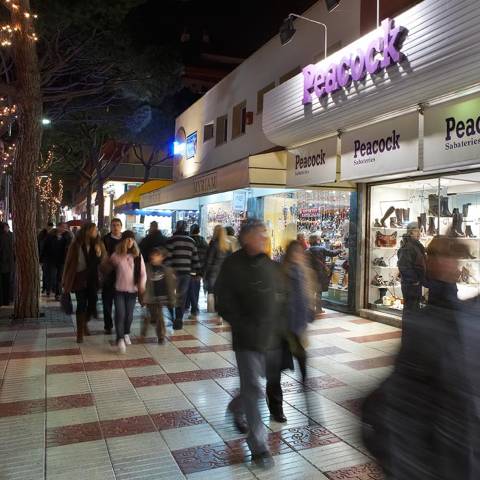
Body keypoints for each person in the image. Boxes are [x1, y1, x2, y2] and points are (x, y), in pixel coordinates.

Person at [363, 236, 479, 479]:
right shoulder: (439, 323)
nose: (452, 266)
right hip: (436, 450)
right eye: (442, 258)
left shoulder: (458, 319)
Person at [216, 219, 281, 469]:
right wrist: (242, 323)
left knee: (253, 387)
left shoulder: (270, 265)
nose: (265, 238)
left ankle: (235, 407)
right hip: (247, 339)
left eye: (266, 234)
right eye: (260, 234)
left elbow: (283, 296)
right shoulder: (232, 265)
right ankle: (259, 446)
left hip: (272, 338)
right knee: (254, 387)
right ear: (245, 238)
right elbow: (223, 301)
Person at [266, 240, 316, 423]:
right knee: (275, 372)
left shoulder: (305, 275)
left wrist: (310, 313)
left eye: (300, 253)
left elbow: (307, 302)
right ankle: (276, 408)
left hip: (298, 332)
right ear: (289, 254)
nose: (298, 256)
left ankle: (311, 409)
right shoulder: (280, 273)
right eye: (295, 253)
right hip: (280, 331)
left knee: (303, 370)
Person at [62, 223, 106, 343]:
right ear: (87, 231)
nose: (96, 231)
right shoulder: (76, 245)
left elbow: (103, 261)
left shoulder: (98, 244)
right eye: (94, 229)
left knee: (93, 303)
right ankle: (80, 332)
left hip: (92, 279)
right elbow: (68, 262)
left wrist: (98, 253)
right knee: (81, 304)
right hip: (79, 278)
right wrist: (65, 280)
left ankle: (84, 322)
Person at [108, 231, 146, 353]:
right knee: (120, 314)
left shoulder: (138, 256)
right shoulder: (116, 255)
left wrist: (142, 286)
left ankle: (126, 333)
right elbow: (107, 268)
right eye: (128, 239)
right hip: (119, 290)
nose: (130, 241)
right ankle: (120, 339)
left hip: (132, 291)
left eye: (132, 239)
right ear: (123, 241)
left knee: (129, 315)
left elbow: (143, 273)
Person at [165, 220, 200, 330]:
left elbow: (168, 258)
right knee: (182, 296)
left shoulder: (171, 240)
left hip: (173, 273)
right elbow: (195, 258)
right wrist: (198, 272)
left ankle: (172, 317)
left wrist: (168, 270)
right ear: (186, 228)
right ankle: (179, 318)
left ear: (176, 227)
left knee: (170, 295)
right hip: (186, 273)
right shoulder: (191, 241)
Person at [140, 247, 176, 344]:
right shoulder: (146, 268)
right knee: (148, 317)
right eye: (153, 255)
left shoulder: (166, 270)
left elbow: (170, 286)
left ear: (162, 257)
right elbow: (142, 283)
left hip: (161, 297)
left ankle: (161, 336)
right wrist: (142, 297)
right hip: (149, 297)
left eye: (157, 255)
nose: (154, 257)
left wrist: (172, 300)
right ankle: (143, 332)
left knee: (160, 317)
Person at [308, 234, 342, 313]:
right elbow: (332, 253)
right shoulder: (321, 249)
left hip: (311, 274)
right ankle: (318, 309)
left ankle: (311, 308)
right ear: (317, 240)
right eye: (319, 239)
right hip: (320, 273)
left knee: (312, 291)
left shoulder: (307, 250)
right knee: (319, 292)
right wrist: (339, 250)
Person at [397, 222, 426, 310]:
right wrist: (414, 280)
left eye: (419, 231)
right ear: (410, 232)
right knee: (411, 310)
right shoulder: (408, 247)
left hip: (415, 283)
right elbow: (403, 266)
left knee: (414, 309)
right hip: (410, 284)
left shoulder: (415, 245)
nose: (418, 233)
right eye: (415, 231)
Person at [102, 218, 123, 334]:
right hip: (108, 276)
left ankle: (120, 325)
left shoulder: (126, 239)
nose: (115, 227)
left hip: (122, 276)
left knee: (120, 304)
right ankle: (108, 325)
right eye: (113, 225)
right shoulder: (105, 239)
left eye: (117, 225)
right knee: (107, 302)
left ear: (121, 227)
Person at [204, 225, 231, 311]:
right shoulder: (228, 245)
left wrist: (205, 273)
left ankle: (212, 309)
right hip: (224, 272)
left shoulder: (214, 244)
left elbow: (209, 260)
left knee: (211, 292)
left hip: (213, 272)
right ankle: (220, 310)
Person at [42, 223, 71, 300]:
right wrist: (42, 258)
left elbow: (70, 248)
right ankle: (52, 289)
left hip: (62, 260)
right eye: (62, 227)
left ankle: (58, 294)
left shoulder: (68, 236)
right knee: (52, 277)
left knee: (60, 277)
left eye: (65, 227)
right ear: (58, 227)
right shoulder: (50, 236)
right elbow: (45, 247)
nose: (63, 229)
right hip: (51, 260)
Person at [186, 224, 208, 320]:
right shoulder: (204, 241)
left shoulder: (189, 241)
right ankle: (194, 307)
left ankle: (192, 307)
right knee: (196, 289)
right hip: (200, 270)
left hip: (190, 269)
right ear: (199, 231)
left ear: (191, 231)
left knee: (189, 289)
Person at [38, 222, 54, 294]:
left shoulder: (54, 234)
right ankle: (45, 288)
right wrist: (40, 258)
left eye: (51, 227)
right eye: (49, 227)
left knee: (52, 273)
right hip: (45, 257)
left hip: (52, 257)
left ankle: (50, 288)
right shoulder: (42, 234)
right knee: (45, 273)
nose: (50, 229)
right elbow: (39, 246)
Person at [0, 222, 13, 306]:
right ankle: (6, 300)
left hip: (4, 264)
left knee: (5, 283)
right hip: (6, 264)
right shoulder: (8, 235)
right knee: (6, 283)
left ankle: (5, 300)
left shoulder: (5, 236)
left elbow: (5, 251)